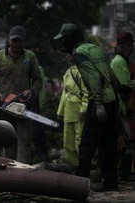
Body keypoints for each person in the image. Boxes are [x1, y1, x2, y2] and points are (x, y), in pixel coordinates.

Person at [54, 23, 119, 192]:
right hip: (111, 98)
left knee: (86, 145)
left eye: (64, 39)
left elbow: (94, 78)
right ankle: (110, 182)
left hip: (98, 101)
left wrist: (98, 105)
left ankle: (79, 184)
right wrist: (115, 98)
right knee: (108, 143)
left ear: (71, 39)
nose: (63, 44)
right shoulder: (94, 48)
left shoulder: (79, 53)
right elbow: (110, 74)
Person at [0, 25, 47, 164]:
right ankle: (10, 172)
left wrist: (32, 90)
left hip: (23, 106)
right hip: (4, 106)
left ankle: (22, 172)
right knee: (8, 141)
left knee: (24, 140)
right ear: (9, 40)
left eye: (20, 41)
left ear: (24, 41)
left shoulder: (30, 57)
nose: (17, 44)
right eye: (14, 41)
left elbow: (37, 79)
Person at [110, 31, 135, 181]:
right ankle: (122, 173)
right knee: (125, 141)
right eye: (129, 46)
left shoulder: (120, 60)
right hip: (119, 107)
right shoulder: (119, 62)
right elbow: (124, 87)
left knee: (124, 141)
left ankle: (122, 173)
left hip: (121, 106)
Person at [57, 60, 89, 167]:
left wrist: (83, 109)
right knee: (67, 139)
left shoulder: (83, 71)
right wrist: (60, 111)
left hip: (79, 109)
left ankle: (82, 165)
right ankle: (72, 164)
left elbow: (86, 92)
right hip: (68, 109)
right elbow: (64, 93)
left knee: (79, 139)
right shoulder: (68, 72)